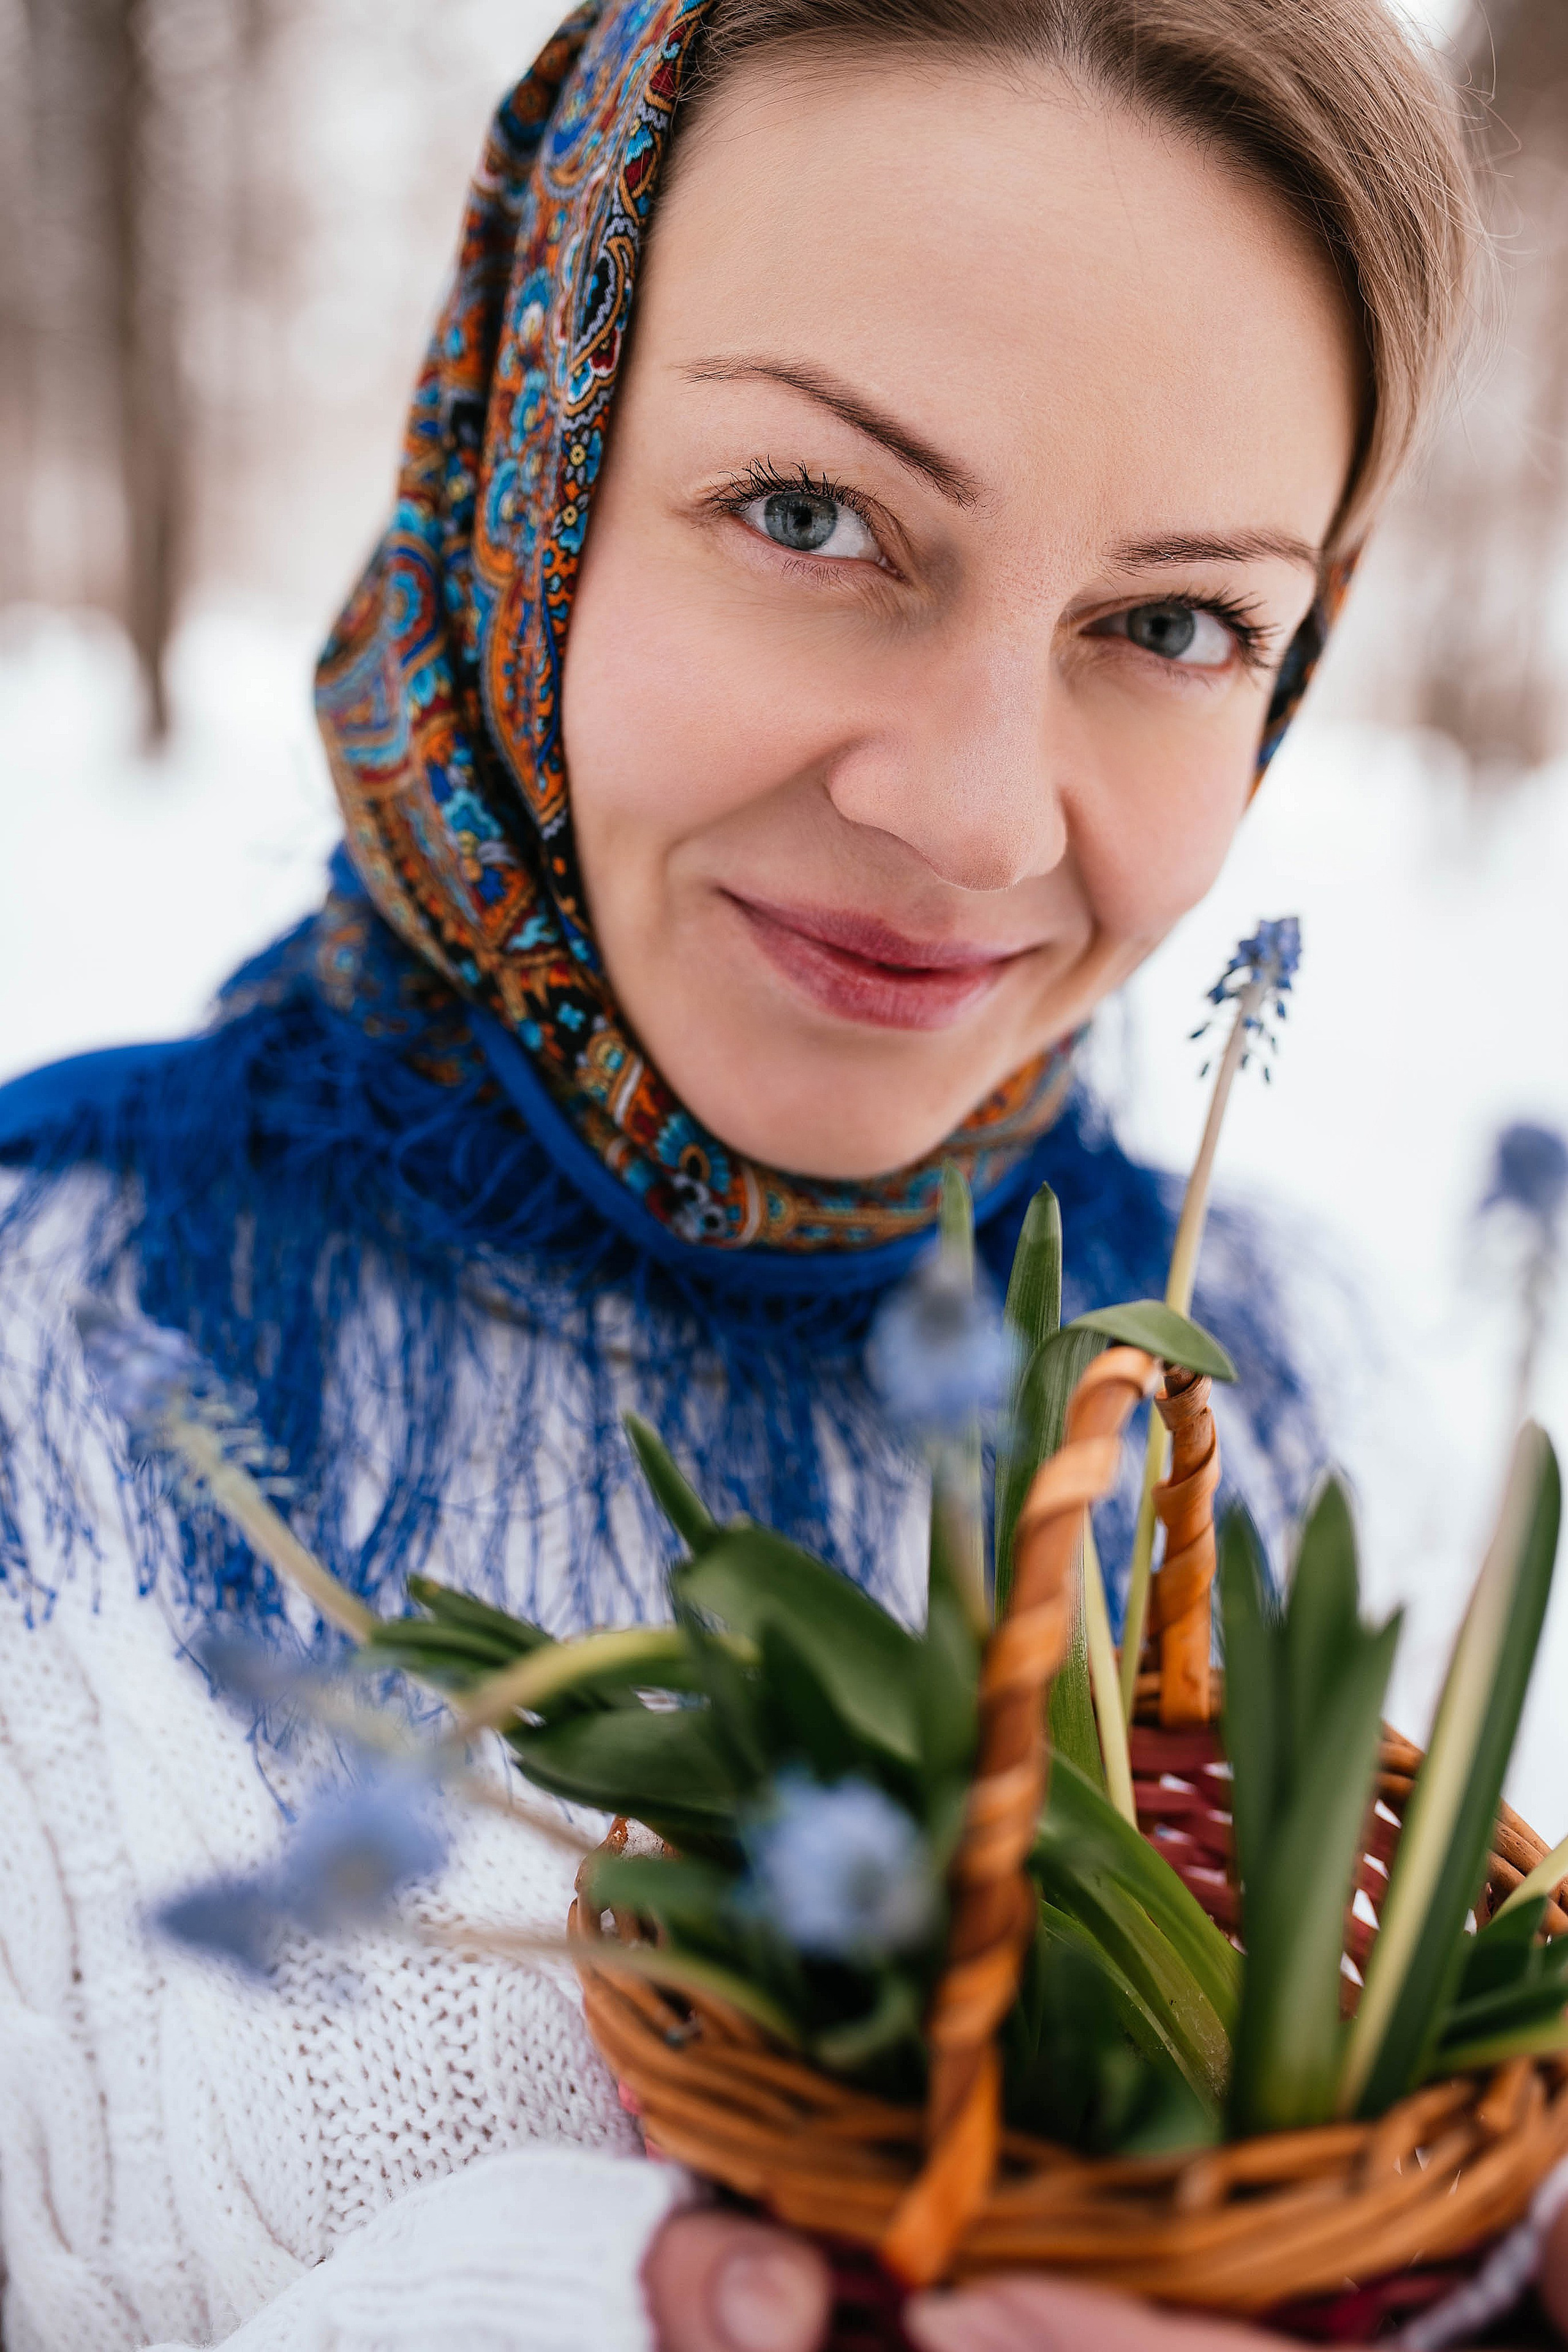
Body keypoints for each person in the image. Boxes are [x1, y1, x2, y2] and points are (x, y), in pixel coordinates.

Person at [1, 2, 1546, 2348]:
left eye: (1172, 622)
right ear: (539, 458)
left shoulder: (1305, 1408)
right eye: (811, 516)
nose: (977, 815)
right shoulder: (46, 1374)